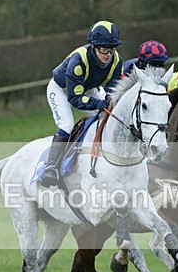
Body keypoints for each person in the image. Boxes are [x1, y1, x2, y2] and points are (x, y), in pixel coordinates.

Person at [40, 20, 123, 187]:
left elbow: (113, 89)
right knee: (67, 125)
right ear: (93, 46)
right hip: (62, 90)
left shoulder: (116, 61)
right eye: (104, 49)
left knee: (107, 116)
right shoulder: (78, 60)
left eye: (112, 49)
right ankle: (51, 166)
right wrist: (97, 103)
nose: (108, 54)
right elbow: (75, 97)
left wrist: (108, 100)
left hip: (87, 88)